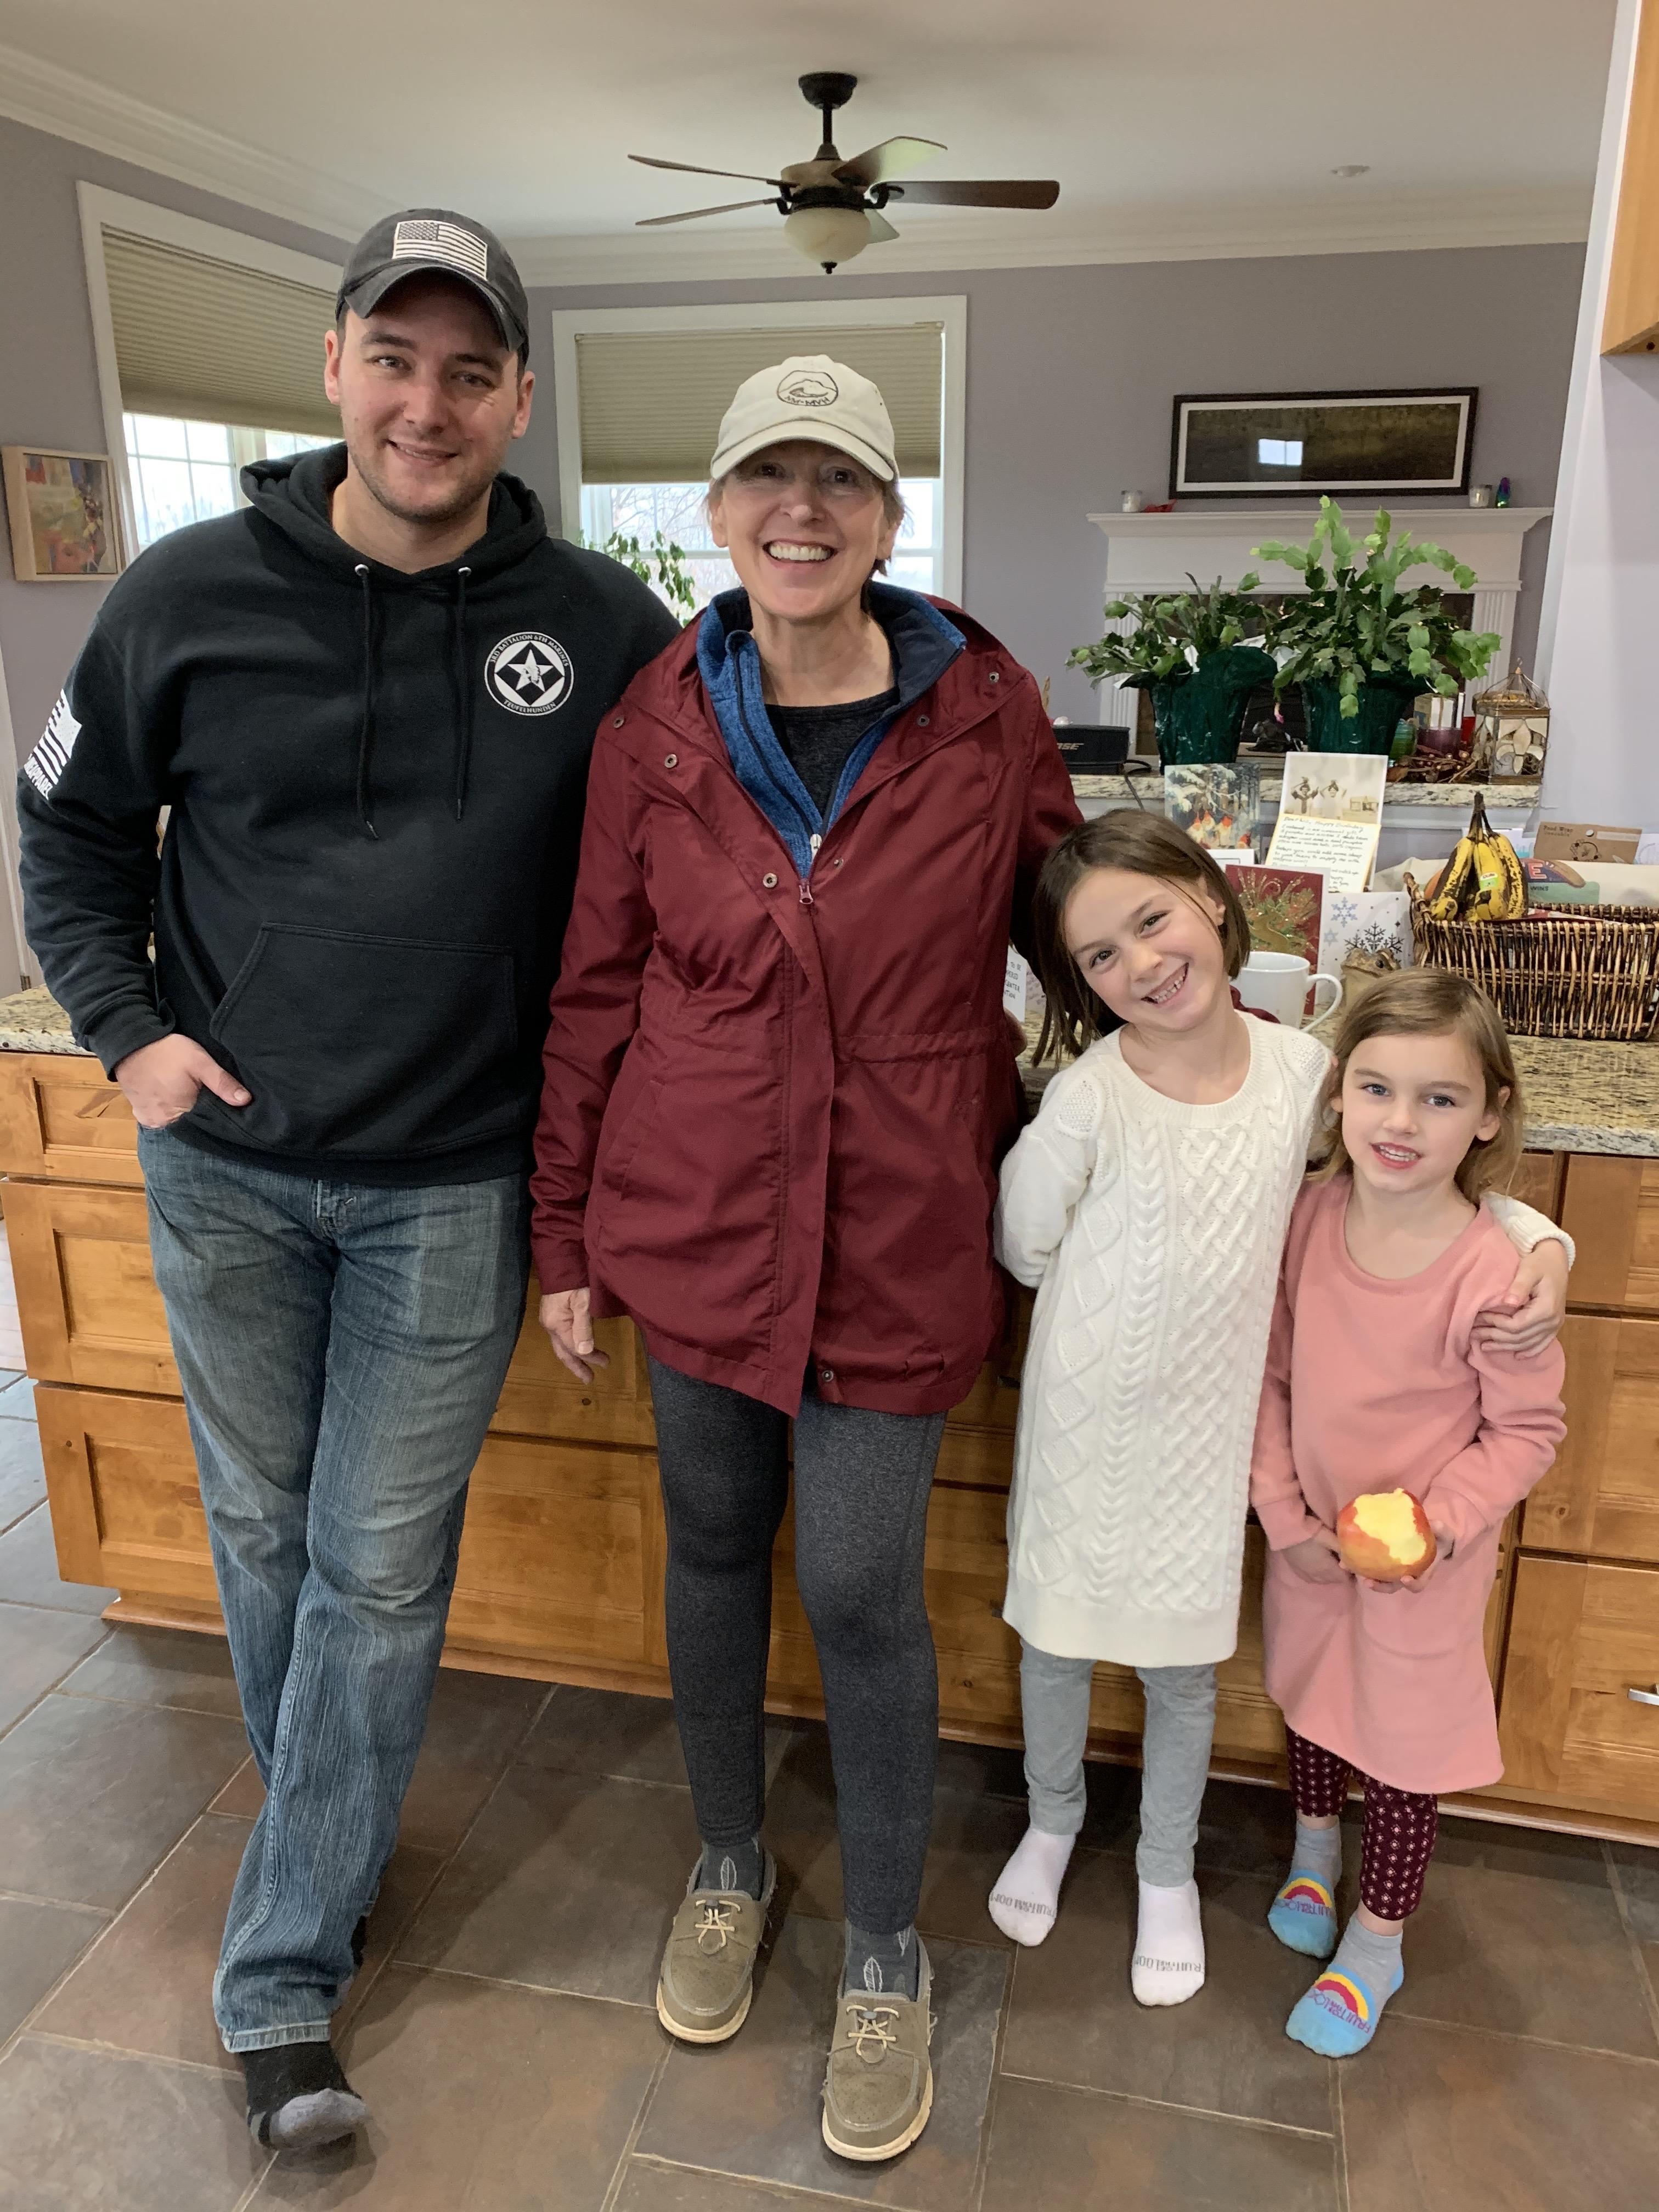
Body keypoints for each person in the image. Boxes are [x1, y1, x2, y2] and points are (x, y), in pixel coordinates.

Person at [16, 207, 679, 2151]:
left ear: (519, 398)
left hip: (452, 1191)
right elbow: (65, 834)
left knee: (377, 1571)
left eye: (469, 369)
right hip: (226, 1173)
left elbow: (690, 835)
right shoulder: (182, 591)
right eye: (394, 358)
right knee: (266, 1542)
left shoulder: (601, 622)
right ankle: (335, 1834)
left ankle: (284, 1973)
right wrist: (128, 1036)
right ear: (331, 369)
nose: (427, 401)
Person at [529, 354, 1079, 2163]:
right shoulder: (652, 721)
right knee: (704, 1544)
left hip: (905, 1216)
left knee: (854, 1588)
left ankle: (888, 1956)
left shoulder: (984, 707)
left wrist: (1195, 1042)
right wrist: (562, 1234)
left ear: (887, 516)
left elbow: (1078, 924)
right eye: (766, 477)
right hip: (690, 1213)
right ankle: (724, 1862)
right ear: (713, 513)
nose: (801, 510)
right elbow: (595, 986)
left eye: (837, 478)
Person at [986, 815, 1570, 2001]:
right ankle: (1051, 1821)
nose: (1140, 963)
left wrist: (1539, 1234)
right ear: (1078, 981)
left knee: (1183, 1667)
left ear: (1210, 895)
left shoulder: (1306, 1074)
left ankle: (1162, 1870)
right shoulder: (1092, 1098)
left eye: (1152, 918)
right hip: (1083, 1429)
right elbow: (1024, 1243)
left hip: (1215, 1443)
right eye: (1100, 955)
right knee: (1055, 1639)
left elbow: (1413, 1164)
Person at [1251, 970, 1565, 2056]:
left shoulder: (1497, 1279)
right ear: (1338, 1094)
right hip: (1308, 1543)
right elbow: (1269, 1376)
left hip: (1423, 1572)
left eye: (1440, 1099)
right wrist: (1282, 1512)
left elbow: (1528, 1433)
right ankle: (1312, 1848)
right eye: (1378, 1088)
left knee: (1403, 1748)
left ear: (1489, 1116)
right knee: (1308, 1702)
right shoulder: (1309, 1218)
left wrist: (1434, 1524)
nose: (1402, 1120)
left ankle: (1377, 1943)